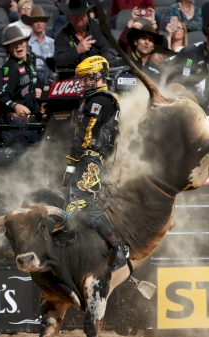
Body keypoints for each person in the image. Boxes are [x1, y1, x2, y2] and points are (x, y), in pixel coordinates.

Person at [62, 55, 127, 278]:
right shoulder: (109, 99)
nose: (83, 83)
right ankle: (71, 237)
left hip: (90, 159)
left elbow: (85, 134)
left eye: (87, 78)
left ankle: (117, 247)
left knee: (78, 201)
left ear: (98, 75)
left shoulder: (99, 101)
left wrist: (71, 163)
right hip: (98, 159)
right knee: (80, 201)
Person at [164, 23, 209, 116]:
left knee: (197, 104)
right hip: (168, 83)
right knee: (187, 95)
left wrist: (208, 113)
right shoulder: (192, 53)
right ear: (208, 38)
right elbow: (184, 82)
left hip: (188, 88)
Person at [54, 0, 113, 79]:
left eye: (80, 14)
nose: (77, 18)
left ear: (87, 14)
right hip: (73, 78)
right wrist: (77, 51)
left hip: (100, 74)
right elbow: (58, 61)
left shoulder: (99, 27)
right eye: (74, 14)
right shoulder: (61, 35)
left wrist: (100, 68)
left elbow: (109, 51)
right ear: (68, 16)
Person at [0, 26, 39, 124]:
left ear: (26, 43)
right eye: (13, 44)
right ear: (8, 48)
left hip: (33, 121)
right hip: (16, 123)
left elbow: (38, 84)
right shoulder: (9, 69)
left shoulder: (31, 65)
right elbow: (2, 97)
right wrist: (15, 106)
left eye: (20, 42)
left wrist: (39, 90)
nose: (18, 46)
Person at [26, 6, 54, 87]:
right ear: (31, 23)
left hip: (51, 77)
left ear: (45, 23)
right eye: (35, 21)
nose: (39, 23)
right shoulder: (26, 43)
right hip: (34, 77)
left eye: (41, 21)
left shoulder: (52, 42)